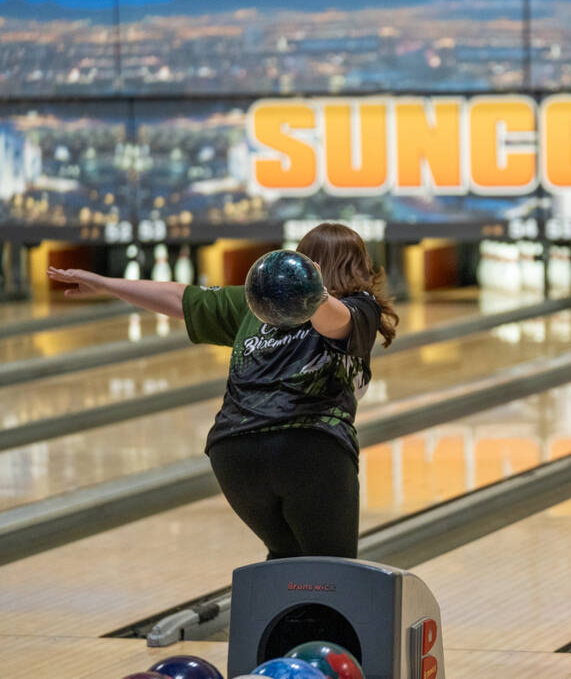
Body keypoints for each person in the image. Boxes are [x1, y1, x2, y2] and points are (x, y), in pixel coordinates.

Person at [47, 222, 398, 560]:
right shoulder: (358, 305)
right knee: (332, 573)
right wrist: (108, 284)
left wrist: (311, 292)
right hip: (308, 447)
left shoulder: (319, 308)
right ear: (358, 266)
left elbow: (334, 321)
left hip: (233, 453)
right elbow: (179, 297)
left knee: (286, 558)